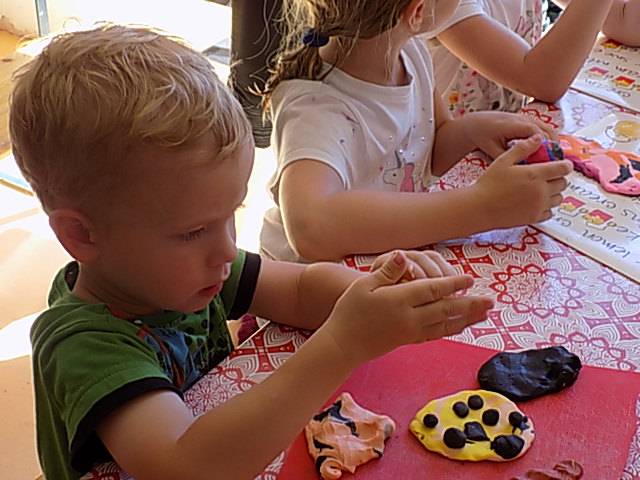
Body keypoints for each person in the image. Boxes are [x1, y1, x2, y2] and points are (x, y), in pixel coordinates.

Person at [9, 24, 495, 480]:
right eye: (192, 231)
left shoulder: (179, 272)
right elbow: (188, 465)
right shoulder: (83, 346)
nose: (226, 247)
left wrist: (374, 294)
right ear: (82, 236)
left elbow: (300, 290)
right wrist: (342, 344)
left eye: (231, 214)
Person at [258, 0, 574, 263]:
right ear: (418, 11)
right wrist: (482, 207)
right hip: (315, 305)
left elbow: (429, 148)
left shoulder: (410, 53)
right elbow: (310, 229)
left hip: (386, 274)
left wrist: (474, 129)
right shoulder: (316, 111)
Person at [425, 0, 640, 117]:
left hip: (506, 144)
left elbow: (626, 22)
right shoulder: (444, 5)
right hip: (447, 169)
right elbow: (540, 81)